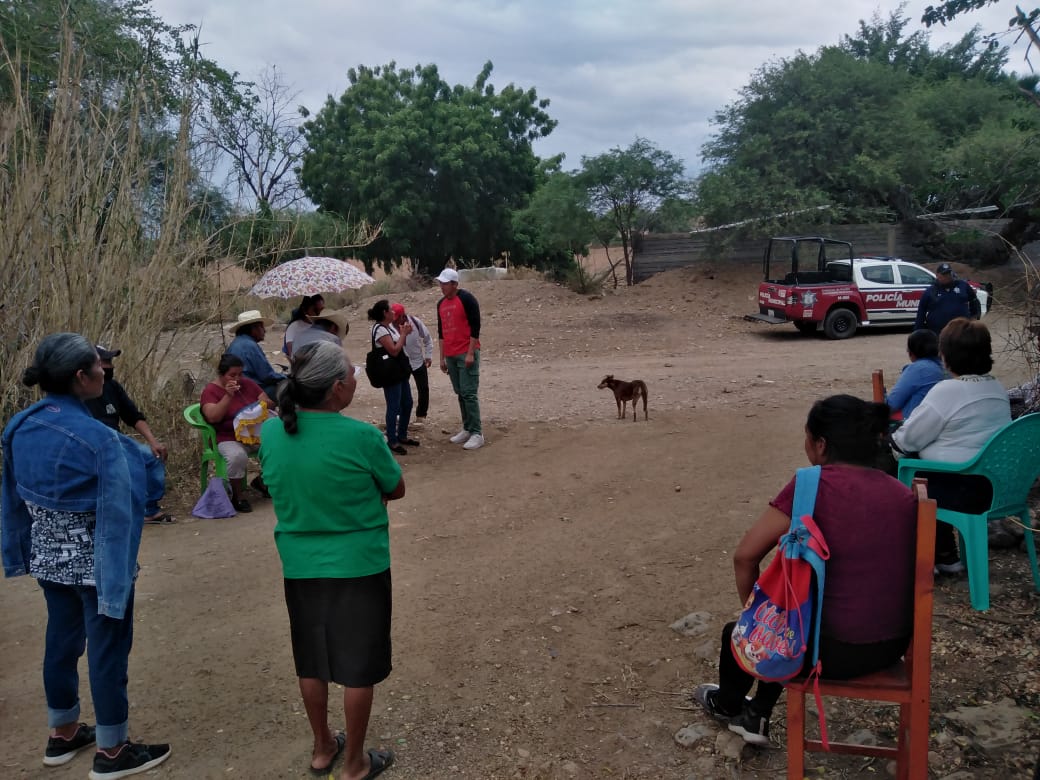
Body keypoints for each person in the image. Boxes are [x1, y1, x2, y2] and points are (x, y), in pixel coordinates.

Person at [693, 394, 917, 746]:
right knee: (798, 617)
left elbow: (745, 556)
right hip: (890, 647)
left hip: (827, 654)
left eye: (808, 437)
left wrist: (756, 620)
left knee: (763, 628)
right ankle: (756, 714)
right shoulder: (903, 495)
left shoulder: (812, 485)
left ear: (822, 445)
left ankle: (727, 704)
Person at [1, 333, 171, 778]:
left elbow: (14, 492)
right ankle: (113, 752)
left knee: (61, 640)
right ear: (82, 377)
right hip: (98, 562)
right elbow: (148, 489)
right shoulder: (100, 440)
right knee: (108, 649)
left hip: (48, 556)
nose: (105, 372)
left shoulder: (19, 426)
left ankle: (63, 733)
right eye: (99, 367)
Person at [258, 341, 402, 780]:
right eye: (353, 376)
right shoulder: (361, 437)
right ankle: (355, 763)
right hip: (359, 565)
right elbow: (395, 488)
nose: (356, 381)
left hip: (300, 567)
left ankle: (323, 748)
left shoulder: (270, 432)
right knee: (358, 668)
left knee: (312, 660)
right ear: (338, 389)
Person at [891, 318, 1010, 572]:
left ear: (945, 355)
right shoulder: (997, 388)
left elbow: (907, 439)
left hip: (962, 491)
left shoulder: (948, 390)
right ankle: (945, 555)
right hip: (998, 488)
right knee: (932, 469)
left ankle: (918, 557)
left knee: (898, 466)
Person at [85, 345, 172, 524]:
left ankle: (149, 509)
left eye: (110, 362)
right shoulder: (82, 390)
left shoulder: (113, 387)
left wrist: (153, 441)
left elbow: (133, 416)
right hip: (92, 445)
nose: (109, 367)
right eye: (104, 362)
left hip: (117, 441)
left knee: (152, 456)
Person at [200, 353, 274, 513]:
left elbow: (267, 400)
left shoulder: (247, 384)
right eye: (232, 375)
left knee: (278, 446)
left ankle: (263, 481)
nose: (237, 379)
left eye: (240, 374)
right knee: (236, 456)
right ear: (221, 374)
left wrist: (263, 405)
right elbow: (213, 417)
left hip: (253, 434)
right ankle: (237, 496)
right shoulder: (210, 391)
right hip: (227, 437)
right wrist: (228, 396)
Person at [435, 268, 484, 450]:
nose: (442, 286)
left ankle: (477, 432)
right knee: (460, 392)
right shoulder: (440, 304)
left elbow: (475, 327)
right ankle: (467, 428)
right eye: (440, 283)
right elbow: (441, 333)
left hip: (465, 351)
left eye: (445, 283)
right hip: (451, 354)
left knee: (469, 392)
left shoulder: (467, 299)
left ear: (455, 284)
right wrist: (441, 358)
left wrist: (471, 353)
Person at [368, 299, 416, 455]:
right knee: (394, 406)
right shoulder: (380, 330)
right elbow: (394, 350)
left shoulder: (388, 328)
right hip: (390, 374)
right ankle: (393, 440)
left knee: (407, 403)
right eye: (391, 310)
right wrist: (403, 334)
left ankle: (401, 435)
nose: (394, 312)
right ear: (385, 313)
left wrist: (403, 334)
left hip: (398, 372)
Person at [884, 329, 946, 420]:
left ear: (911, 352)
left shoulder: (918, 368)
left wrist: (883, 394)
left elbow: (892, 404)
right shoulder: (944, 366)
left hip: (914, 421)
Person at [226, 309, 286, 398]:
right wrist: (285, 377)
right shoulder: (250, 346)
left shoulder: (236, 343)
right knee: (284, 388)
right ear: (253, 328)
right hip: (249, 391)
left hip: (238, 389)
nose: (264, 331)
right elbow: (266, 376)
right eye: (261, 327)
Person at [392, 303, 434, 421]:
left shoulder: (415, 322)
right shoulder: (390, 327)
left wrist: (428, 356)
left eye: (396, 319)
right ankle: (399, 415)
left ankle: (421, 415)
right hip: (401, 363)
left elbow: (427, 339)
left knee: (423, 388)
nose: (394, 322)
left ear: (402, 316)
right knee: (400, 390)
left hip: (417, 361)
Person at [913, 262, 981, 336]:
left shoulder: (963, 285)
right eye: (944, 274)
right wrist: (918, 333)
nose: (947, 276)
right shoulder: (930, 291)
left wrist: (974, 317)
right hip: (938, 333)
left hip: (961, 332)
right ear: (937, 275)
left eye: (949, 273)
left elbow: (974, 300)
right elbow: (921, 312)